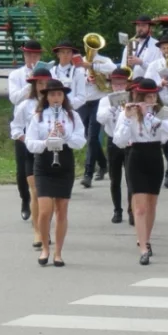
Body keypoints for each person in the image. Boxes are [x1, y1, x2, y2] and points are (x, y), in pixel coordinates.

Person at [25, 79, 87, 267]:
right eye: (52, 94)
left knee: (61, 210)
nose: (56, 98)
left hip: (64, 161)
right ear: (46, 97)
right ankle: (45, 247)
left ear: (63, 96)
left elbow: (80, 141)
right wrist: (47, 140)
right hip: (44, 162)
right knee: (45, 211)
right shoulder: (38, 116)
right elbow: (29, 143)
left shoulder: (72, 116)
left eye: (59, 94)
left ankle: (58, 252)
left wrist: (65, 135)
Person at [113, 79, 168, 265]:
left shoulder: (162, 113)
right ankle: (143, 248)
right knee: (139, 207)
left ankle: (147, 237)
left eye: (153, 95)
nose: (151, 98)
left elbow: (166, 135)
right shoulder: (127, 113)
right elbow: (119, 141)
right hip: (136, 155)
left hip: (155, 155)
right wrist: (129, 118)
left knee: (151, 204)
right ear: (139, 96)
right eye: (147, 96)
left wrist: (149, 116)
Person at [10, 67, 53, 249]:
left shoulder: (55, 104)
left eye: (46, 83)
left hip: (50, 150)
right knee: (35, 191)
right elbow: (16, 128)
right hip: (29, 149)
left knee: (48, 194)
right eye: (40, 83)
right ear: (34, 85)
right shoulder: (25, 105)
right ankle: (38, 231)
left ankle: (47, 228)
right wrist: (26, 139)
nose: (43, 87)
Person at [7, 39, 44, 221]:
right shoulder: (16, 75)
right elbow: (14, 98)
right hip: (23, 124)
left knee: (40, 169)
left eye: (35, 55)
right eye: (29, 54)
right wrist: (31, 84)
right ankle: (25, 200)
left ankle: (41, 203)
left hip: (41, 126)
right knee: (22, 170)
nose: (32, 58)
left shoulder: (46, 74)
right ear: (24, 55)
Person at [97, 68, 135, 224]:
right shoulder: (104, 101)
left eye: (121, 84)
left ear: (126, 84)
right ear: (111, 85)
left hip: (129, 143)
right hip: (113, 141)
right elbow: (100, 119)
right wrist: (114, 106)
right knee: (115, 179)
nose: (118, 87)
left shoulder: (132, 99)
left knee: (131, 178)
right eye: (115, 84)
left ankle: (132, 210)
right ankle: (117, 210)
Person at [144, 33, 168, 189]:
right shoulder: (154, 65)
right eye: (164, 48)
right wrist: (160, 83)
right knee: (165, 140)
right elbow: (147, 83)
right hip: (162, 105)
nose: (166, 50)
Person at [78, 44, 116, 188]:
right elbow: (73, 81)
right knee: (88, 137)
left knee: (93, 136)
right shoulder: (79, 62)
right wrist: (86, 79)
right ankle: (103, 164)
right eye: (89, 46)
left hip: (99, 101)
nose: (91, 50)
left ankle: (88, 174)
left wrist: (92, 66)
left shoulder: (104, 60)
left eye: (94, 47)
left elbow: (113, 69)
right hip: (83, 102)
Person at [121, 15, 162, 79]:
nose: (140, 28)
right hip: (131, 83)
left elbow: (158, 69)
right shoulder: (130, 44)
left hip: (148, 84)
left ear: (150, 28)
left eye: (143, 26)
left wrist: (141, 63)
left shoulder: (157, 45)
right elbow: (123, 65)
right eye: (138, 26)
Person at [50, 40, 87, 110]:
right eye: (63, 52)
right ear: (58, 54)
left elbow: (82, 97)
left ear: (72, 55)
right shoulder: (51, 72)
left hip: (71, 110)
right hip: (52, 109)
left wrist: (65, 104)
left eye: (68, 52)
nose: (65, 55)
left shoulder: (78, 72)